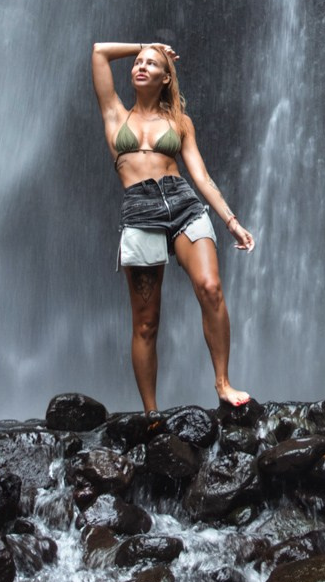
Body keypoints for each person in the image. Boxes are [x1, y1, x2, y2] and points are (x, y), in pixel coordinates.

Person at [91, 39, 255, 411]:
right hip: (140, 211)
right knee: (146, 323)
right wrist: (145, 44)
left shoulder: (180, 123)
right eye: (138, 62)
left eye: (151, 63)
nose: (141, 66)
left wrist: (231, 221)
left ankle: (223, 383)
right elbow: (99, 52)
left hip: (183, 204)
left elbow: (201, 176)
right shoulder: (115, 113)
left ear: (166, 77)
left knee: (211, 288)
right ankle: (152, 413)